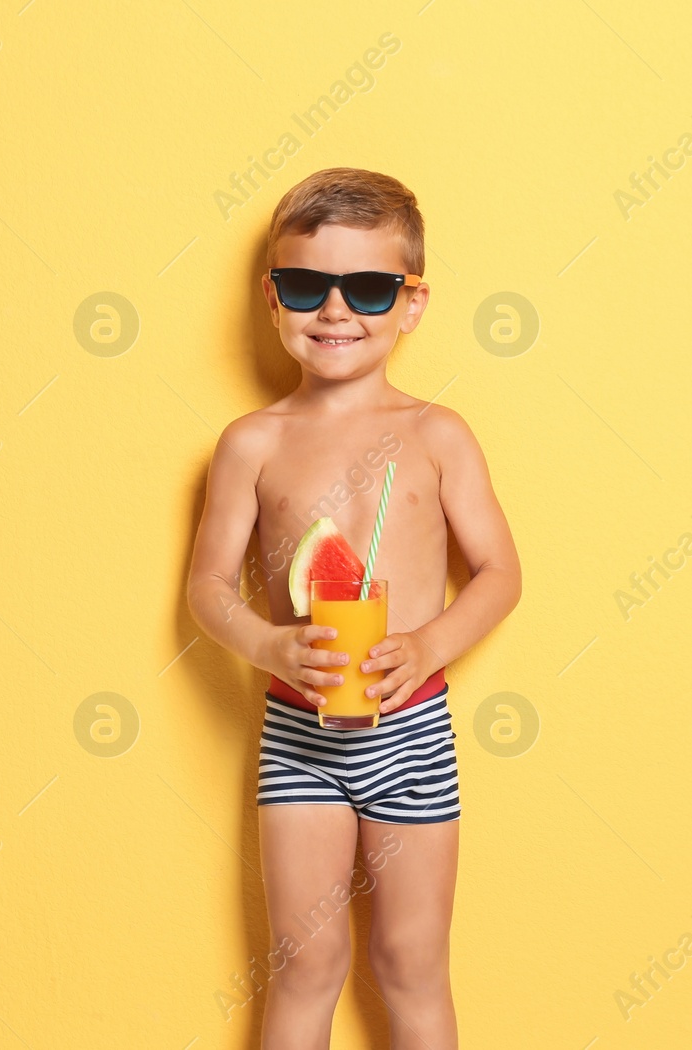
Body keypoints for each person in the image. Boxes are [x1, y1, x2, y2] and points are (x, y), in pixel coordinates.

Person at [187, 167, 521, 1049]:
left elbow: (499, 573)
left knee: (411, 963)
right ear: (272, 296)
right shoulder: (251, 443)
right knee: (305, 962)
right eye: (306, 285)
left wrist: (426, 643)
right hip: (298, 736)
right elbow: (208, 588)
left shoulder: (438, 434)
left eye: (368, 287)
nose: (335, 311)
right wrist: (266, 644)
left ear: (411, 304)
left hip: (412, 733)